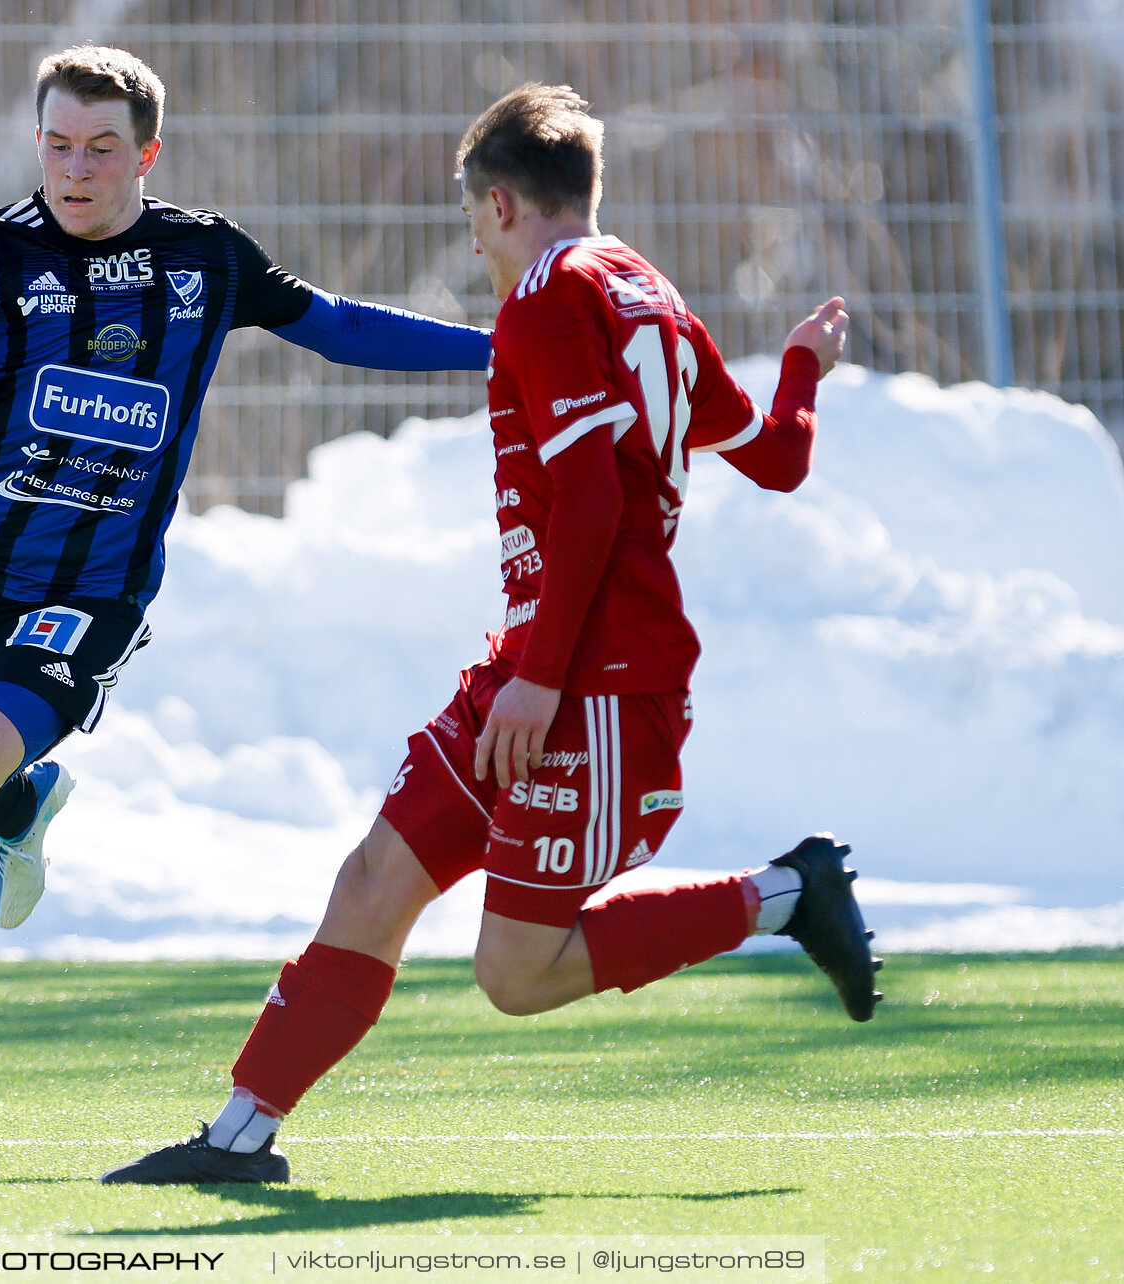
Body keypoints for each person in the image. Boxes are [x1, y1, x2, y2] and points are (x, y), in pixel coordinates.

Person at [101, 83, 876, 1186]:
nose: (474, 246)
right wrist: (801, 366)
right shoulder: (648, 294)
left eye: (472, 221)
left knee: (516, 973)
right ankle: (239, 1137)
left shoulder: (549, 300)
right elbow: (777, 454)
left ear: (503, 203)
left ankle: (789, 893)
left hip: (593, 684)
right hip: (537, 668)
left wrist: (544, 684)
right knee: (375, 877)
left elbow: (598, 505)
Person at [0, 44, 492, 1142]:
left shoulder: (204, 260)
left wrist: (499, 346)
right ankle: (22, 801)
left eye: (100, 148)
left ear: (147, 153)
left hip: (82, 593)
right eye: (56, 144)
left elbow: (339, 327)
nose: (74, 170)